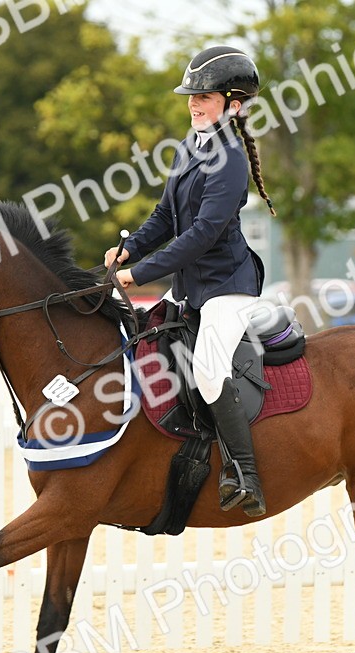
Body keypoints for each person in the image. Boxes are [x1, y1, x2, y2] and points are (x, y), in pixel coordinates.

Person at [109, 45, 276, 517]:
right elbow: (166, 215)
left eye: (204, 96)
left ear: (233, 104)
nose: (194, 104)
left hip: (227, 286)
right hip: (190, 287)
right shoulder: (190, 147)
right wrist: (129, 249)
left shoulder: (231, 161)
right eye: (192, 96)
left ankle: (245, 474)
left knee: (206, 367)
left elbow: (203, 234)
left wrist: (140, 273)